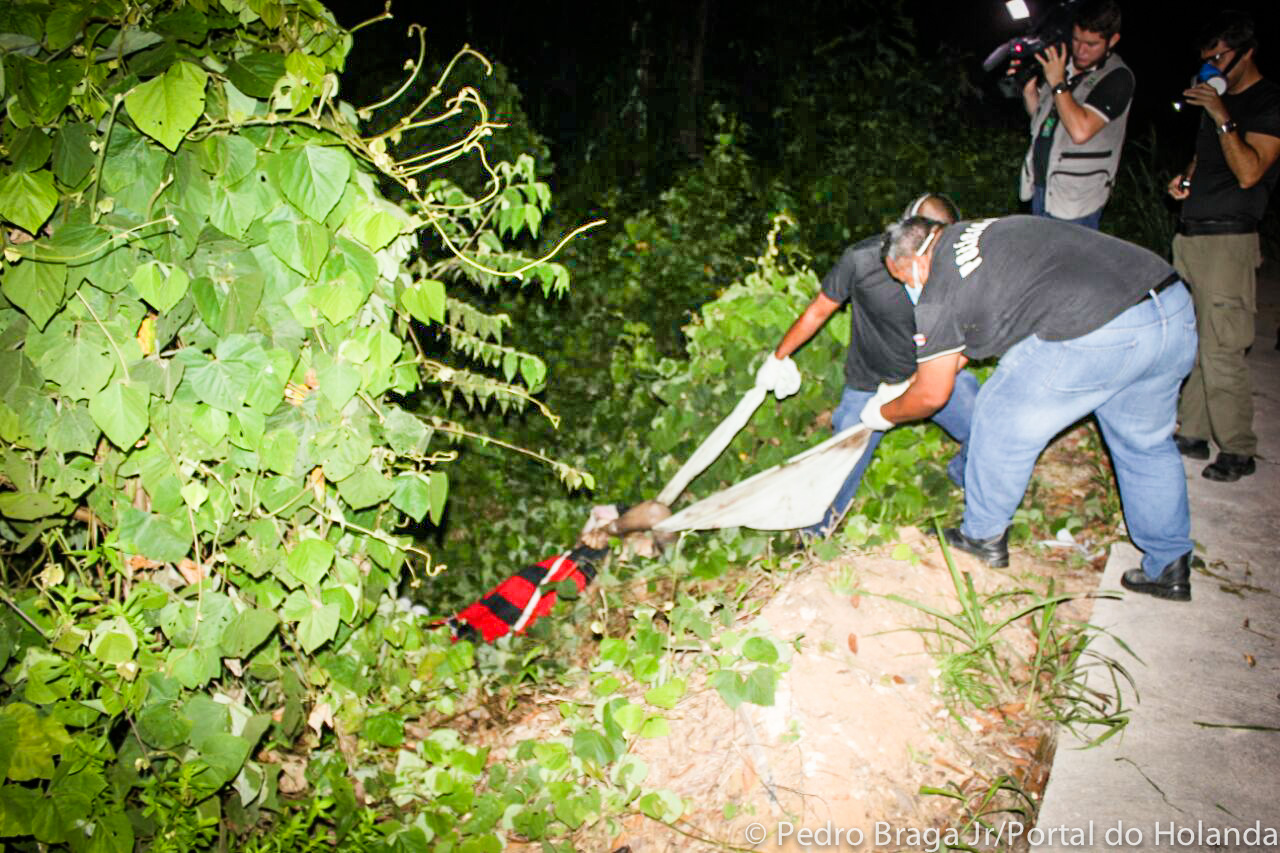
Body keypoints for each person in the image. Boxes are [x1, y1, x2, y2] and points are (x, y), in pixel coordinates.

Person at [870, 215, 1197, 601]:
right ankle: (1169, 562)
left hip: (1103, 327)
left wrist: (881, 414)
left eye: (903, 279)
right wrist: (907, 385)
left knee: (997, 414)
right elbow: (950, 356)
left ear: (916, 260)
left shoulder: (938, 287)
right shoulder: (979, 232)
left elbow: (932, 396)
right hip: (1170, 308)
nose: (909, 289)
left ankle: (982, 537)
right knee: (1145, 444)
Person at [755, 194, 978, 539]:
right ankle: (816, 533)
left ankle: (964, 479)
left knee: (984, 429)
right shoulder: (862, 261)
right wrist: (778, 357)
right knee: (842, 459)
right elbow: (819, 310)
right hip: (870, 380)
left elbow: (976, 336)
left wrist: (919, 381)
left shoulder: (958, 265)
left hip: (934, 372)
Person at [1167, 11, 1280, 483]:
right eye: (1205, 59)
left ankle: (1238, 448)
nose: (1210, 65)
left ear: (1246, 52)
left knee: (1224, 347)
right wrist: (1186, 179)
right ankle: (1191, 432)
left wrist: (1221, 114)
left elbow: (1251, 171)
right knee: (1191, 341)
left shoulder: (1266, 101)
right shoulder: (1221, 100)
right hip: (1193, 234)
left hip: (1229, 240)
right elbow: (1207, 156)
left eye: (1218, 57)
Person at [1016, 0, 1133, 228]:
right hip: (1042, 187)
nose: (1081, 50)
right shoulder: (1064, 66)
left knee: (1066, 263)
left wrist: (1058, 83)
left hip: (1077, 200)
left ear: (1113, 41)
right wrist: (1028, 90)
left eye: (1092, 44)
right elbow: (1044, 122)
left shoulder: (1117, 78)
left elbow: (1080, 130)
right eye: (1077, 39)